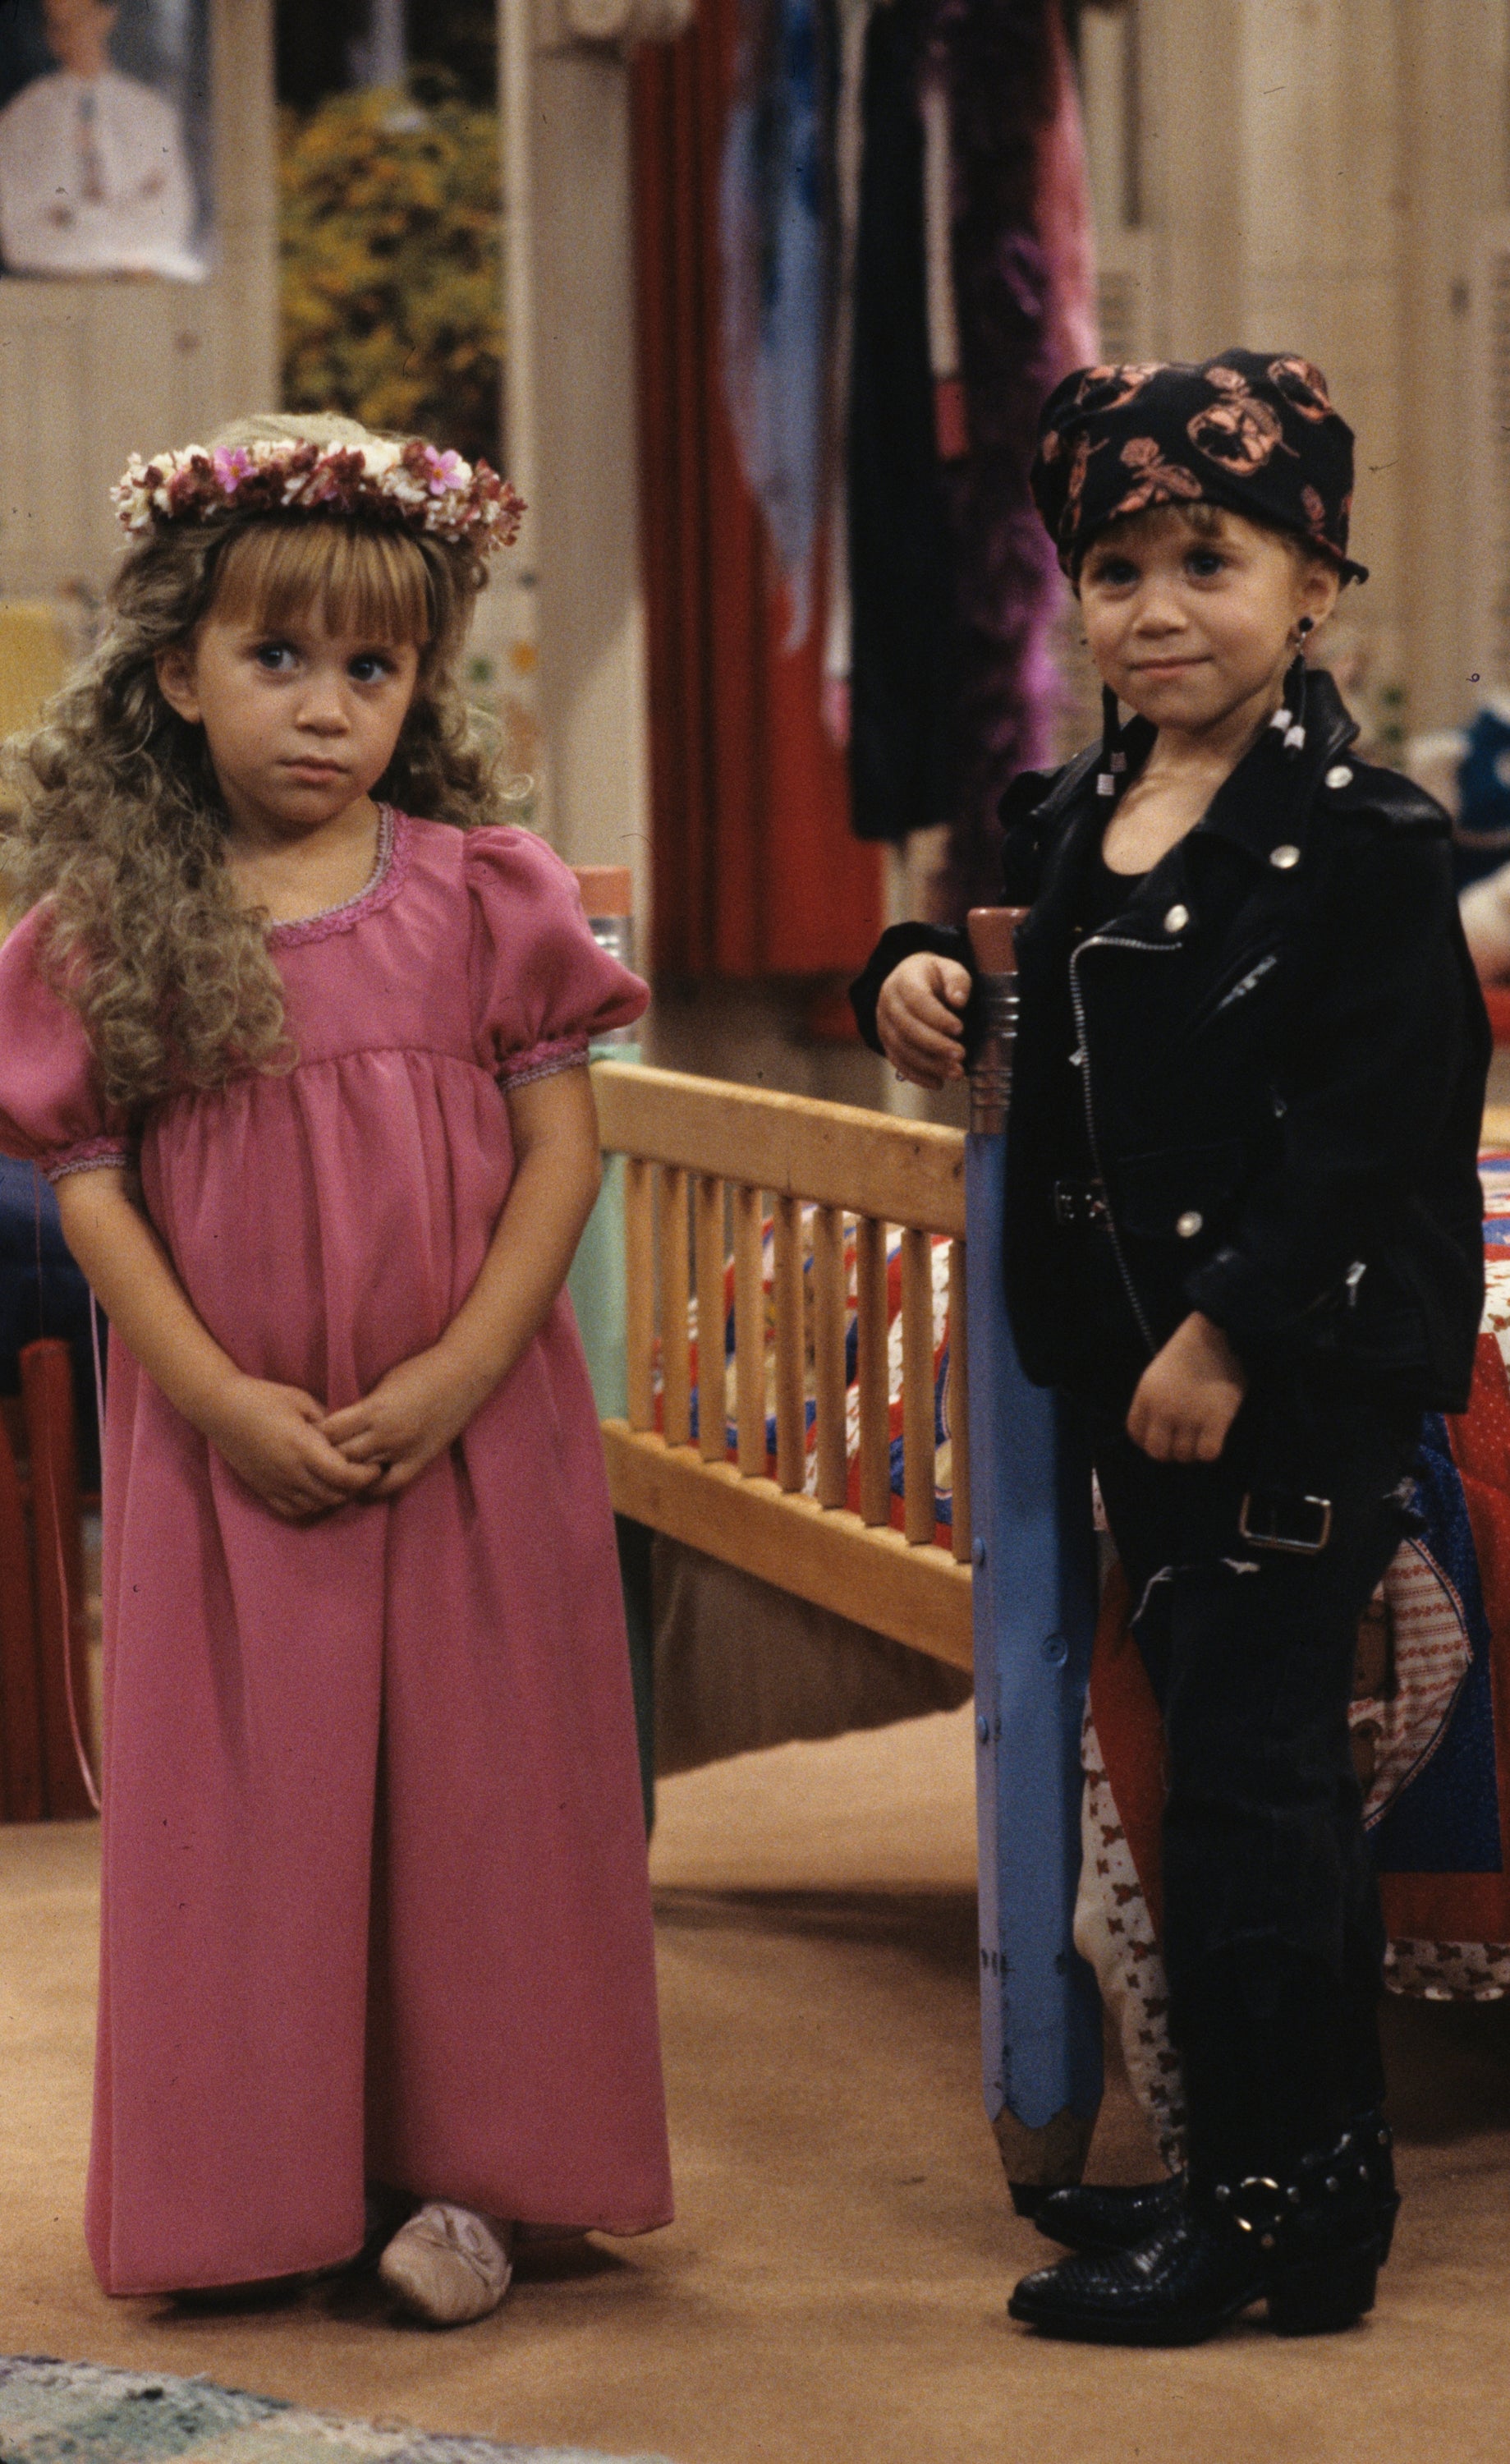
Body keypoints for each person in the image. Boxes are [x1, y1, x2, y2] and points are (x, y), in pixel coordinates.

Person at [0, 413, 672, 2321]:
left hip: (465, 1429)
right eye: (276, 655)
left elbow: (559, 1158)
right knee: (249, 1809)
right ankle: (250, 2186)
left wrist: (461, 1371)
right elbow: (90, 1186)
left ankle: (479, 2182)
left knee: (481, 1801)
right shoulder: (109, 928)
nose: (322, 706)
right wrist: (215, 1399)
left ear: (419, 684)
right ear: (176, 671)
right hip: (234, 1446)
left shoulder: (483, 894)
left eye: (370, 668)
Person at [851, 352, 1489, 2345]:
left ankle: (1280, 2209)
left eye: (1204, 560)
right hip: (1125, 1370)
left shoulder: (1367, 840)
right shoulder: (1077, 811)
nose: (1152, 608)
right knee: (1214, 1780)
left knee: (1250, 1798)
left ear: (1311, 586)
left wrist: (1228, 1327)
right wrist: (911, 972)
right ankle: (1277, 2189)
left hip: (1281, 1377)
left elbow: (1376, 1125)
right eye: (1113, 569)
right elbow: (1019, 982)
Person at [0, 0, 200, 280]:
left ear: (105, 17)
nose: (72, 33)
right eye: (59, 26)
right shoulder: (22, 118)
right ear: (49, 35)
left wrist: (70, 219)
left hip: (140, 289)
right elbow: (19, 241)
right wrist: (124, 215)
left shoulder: (151, 113)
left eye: (80, 18)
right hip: (52, 291)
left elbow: (171, 228)